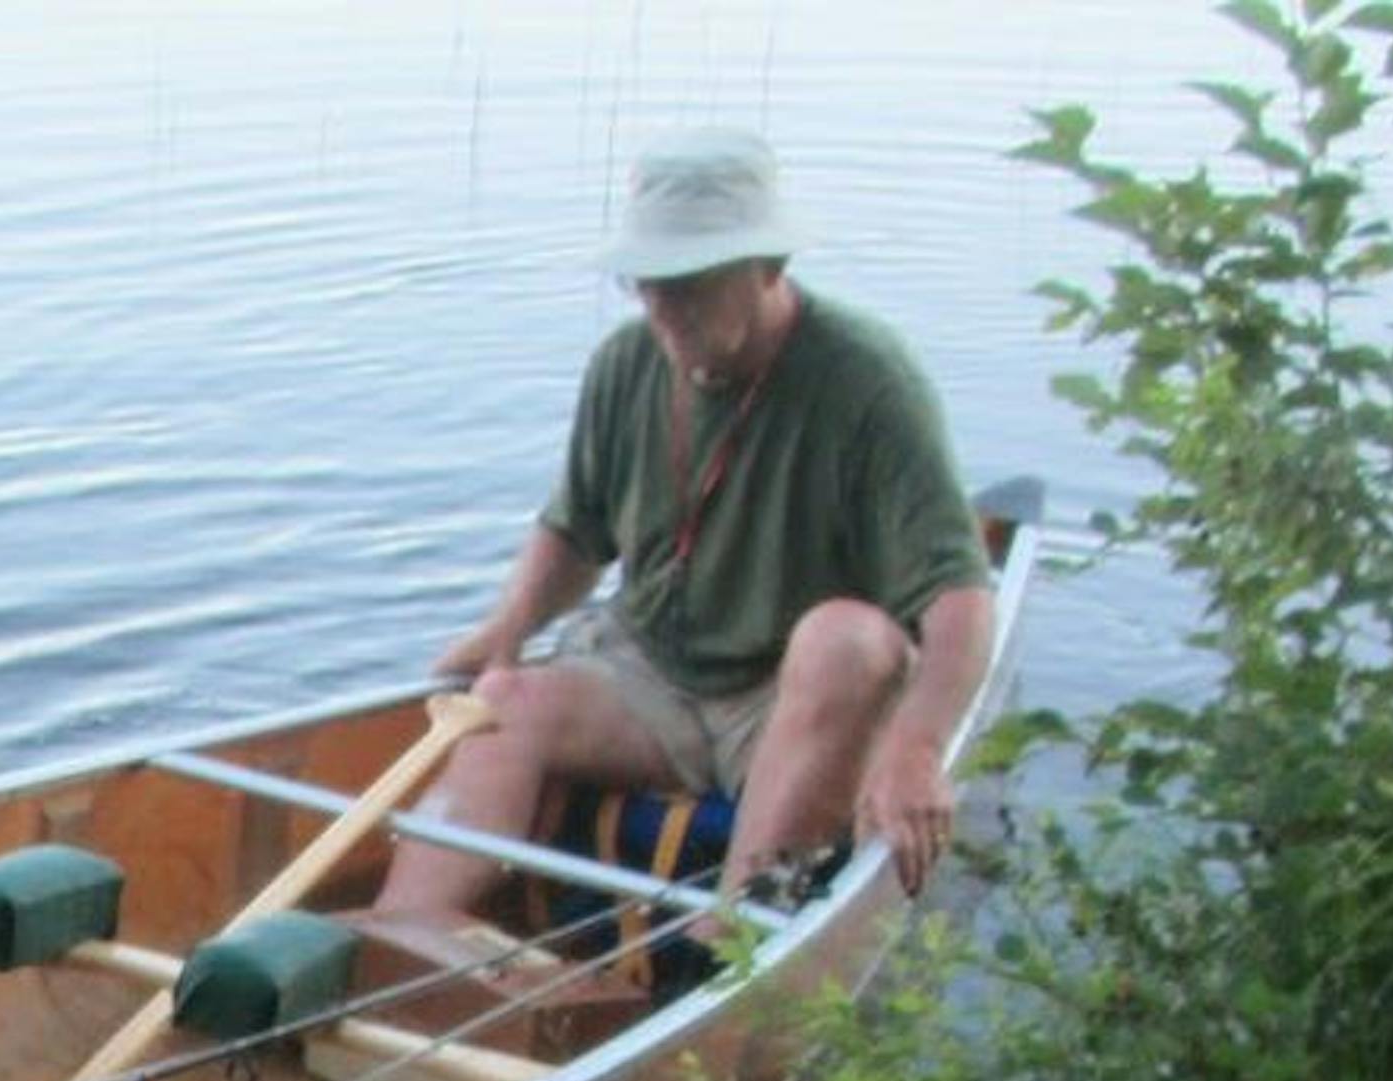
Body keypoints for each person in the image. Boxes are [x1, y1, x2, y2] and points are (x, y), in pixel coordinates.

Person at [374, 127, 994, 925]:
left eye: (690, 281)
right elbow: (576, 530)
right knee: (506, 698)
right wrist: (509, 626)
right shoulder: (625, 364)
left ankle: (734, 947)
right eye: (646, 282)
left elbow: (961, 599)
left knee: (848, 639)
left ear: (770, 267)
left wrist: (918, 746)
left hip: (793, 702)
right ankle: (394, 941)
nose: (663, 307)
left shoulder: (869, 383)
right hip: (654, 677)